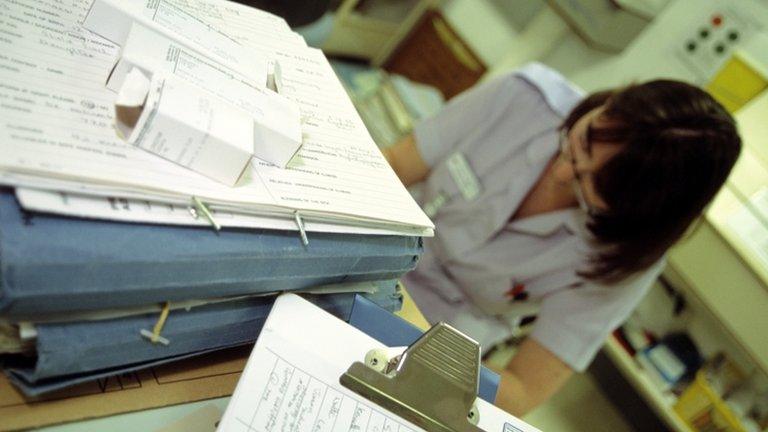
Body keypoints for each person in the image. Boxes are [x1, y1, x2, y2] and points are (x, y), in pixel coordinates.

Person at [383, 63, 741, 416]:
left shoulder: (627, 259)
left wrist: (422, 348)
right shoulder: (524, 97)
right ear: (612, 101)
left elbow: (523, 391)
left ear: (636, 211)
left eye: (589, 186)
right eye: (580, 142)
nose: (563, 172)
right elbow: (395, 163)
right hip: (376, 250)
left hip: (439, 339)